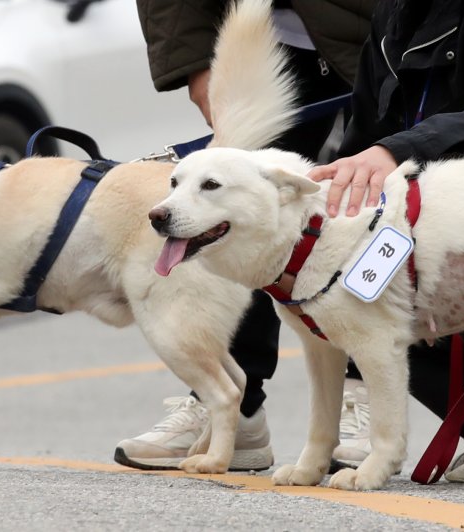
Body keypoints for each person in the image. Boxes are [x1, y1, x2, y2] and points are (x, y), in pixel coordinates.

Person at [114, 0, 374, 471]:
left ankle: (368, 397)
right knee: (231, 221)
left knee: (365, 218)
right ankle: (234, 404)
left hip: (380, 37)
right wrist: (195, 63)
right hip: (261, 39)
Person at [309, 0, 464, 487]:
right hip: (461, 212)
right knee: (336, 274)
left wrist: (402, 148)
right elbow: (365, 143)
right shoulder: (394, 17)